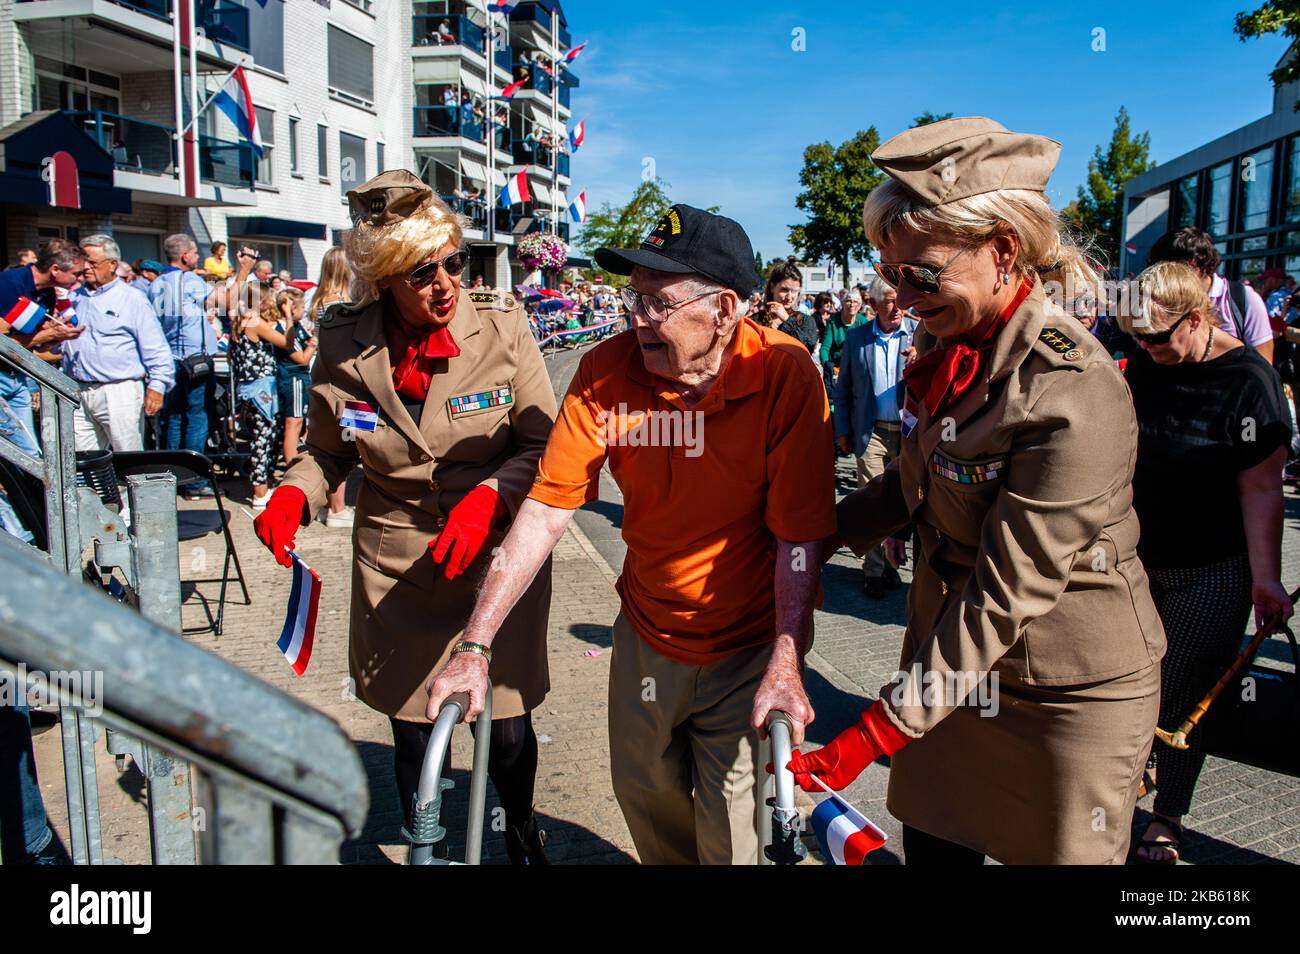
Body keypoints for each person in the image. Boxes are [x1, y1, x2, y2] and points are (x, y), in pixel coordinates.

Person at [789, 117, 1166, 865]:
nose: (900, 296)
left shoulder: (1070, 387)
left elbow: (1008, 588)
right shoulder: (949, 342)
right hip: (952, 671)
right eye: (889, 275)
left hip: (1064, 691)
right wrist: (811, 536)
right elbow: (912, 483)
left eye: (920, 274)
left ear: (1002, 251)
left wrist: (875, 730)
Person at [426, 204, 836, 865]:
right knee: (647, 805)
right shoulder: (606, 371)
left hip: (746, 645)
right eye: (633, 298)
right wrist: (474, 645)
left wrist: (787, 662)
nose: (636, 317)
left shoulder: (785, 377)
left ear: (726, 308)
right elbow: (546, 510)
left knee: (730, 835)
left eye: (658, 302)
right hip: (646, 637)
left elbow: (798, 538)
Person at [252, 171, 558, 863]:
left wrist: (491, 498)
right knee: (416, 729)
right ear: (386, 277)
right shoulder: (340, 341)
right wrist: (295, 492)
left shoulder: (504, 326)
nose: (446, 283)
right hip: (397, 568)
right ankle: (431, 846)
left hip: (494, 559)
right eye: (423, 272)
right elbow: (327, 452)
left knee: (506, 731)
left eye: (454, 262)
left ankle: (522, 831)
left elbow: (544, 446)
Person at [1117, 261, 1292, 864]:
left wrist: (1267, 579)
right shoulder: (1146, 359)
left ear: (1195, 320)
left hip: (1213, 568)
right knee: (1128, 681)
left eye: (1157, 338)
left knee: (1180, 692)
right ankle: (1127, 780)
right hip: (1137, 558)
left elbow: (1262, 489)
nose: (1145, 348)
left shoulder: (1250, 381)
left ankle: (1167, 815)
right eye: (1136, 338)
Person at [833, 275, 917, 597]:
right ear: (873, 306)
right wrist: (843, 431)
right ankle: (873, 571)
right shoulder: (857, 339)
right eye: (888, 304)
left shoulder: (918, 335)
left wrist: (919, 361)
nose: (896, 309)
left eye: (898, 302)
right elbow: (844, 391)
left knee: (901, 499)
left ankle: (891, 565)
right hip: (873, 432)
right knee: (873, 499)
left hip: (908, 433)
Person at [61, 235, 173, 452]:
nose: (85, 268)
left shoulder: (132, 298)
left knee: (127, 459)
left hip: (118, 391)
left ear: (112, 264)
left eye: (92, 263)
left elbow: (155, 347)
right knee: (84, 462)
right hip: (78, 389)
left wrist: (157, 385)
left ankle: (125, 488)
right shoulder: (75, 298)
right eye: (82, 262)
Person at [150, 233, 221, 497]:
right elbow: (226, 302)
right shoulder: (189, 280)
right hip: (194, 362)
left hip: (168, 360)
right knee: (197, 417)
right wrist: (244, 270)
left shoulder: (156, 284)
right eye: (194, 252)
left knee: (174, 419)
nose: (198, 257)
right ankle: (194, 482)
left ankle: (172, 479)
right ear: (184, 256)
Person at [0, 240, 86, 455]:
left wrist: (56, 336)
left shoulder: (47, 293)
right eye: (76, 273)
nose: (80, 278)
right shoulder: (9, 283)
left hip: (16, 375)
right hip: (3, 374)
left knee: (29, 452)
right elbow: (3, 339)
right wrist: (49, 334)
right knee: (25, 449)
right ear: (55, 269)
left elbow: (33, 338)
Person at [1146, 227, 1274, 364]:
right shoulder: (1154, 298)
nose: (1161, 279)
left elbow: (1263, 364)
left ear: (1195, 264)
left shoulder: (1242, 299)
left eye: (1169, 271)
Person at [309, 247, 356, 527]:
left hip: (320, 370)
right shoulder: (339, 304)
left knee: (326, 436)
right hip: (339, 376)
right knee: (343, 441)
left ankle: (330, 505)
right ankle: (337, 508)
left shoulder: (318, 300)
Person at [231, 288, 290, 506]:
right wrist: (289, 317)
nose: (269, 304)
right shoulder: (253, 321)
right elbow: (287, 342)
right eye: (266, 300)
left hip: (247, 388)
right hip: (261, 389)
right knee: (262, 440)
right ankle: (259, 491)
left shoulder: (238, 322)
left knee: (262, 438)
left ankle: (263, 483)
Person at [272, 287, 316, 494]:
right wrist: (313, 345)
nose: (303, 311)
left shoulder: (298, 326)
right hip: (293, 378)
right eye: (301, 307)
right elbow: (301, 357)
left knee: (301, 423)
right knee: (294, 422)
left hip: (301, 378)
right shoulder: (283, 329)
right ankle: (291, 469)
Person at [819, 288, 867, 400]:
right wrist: (827, 365)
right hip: (836, 368)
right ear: (842, 303)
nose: (852, 304)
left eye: (856, 302)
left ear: (860, 306)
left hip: (857, 368)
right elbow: (825, 348)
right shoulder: (833, 320)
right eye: (848, 301)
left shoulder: (864, 323)